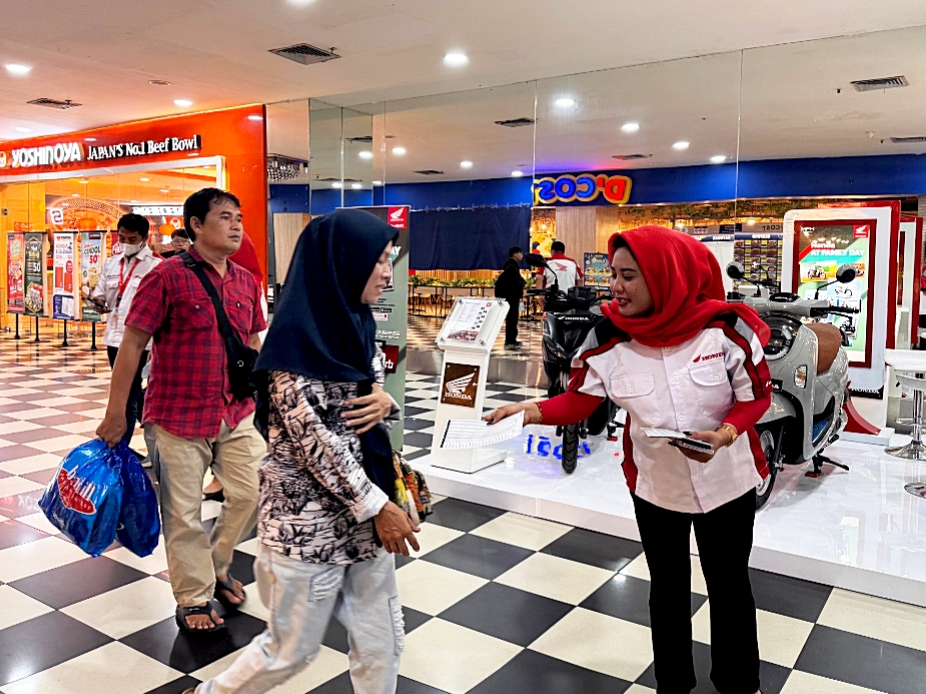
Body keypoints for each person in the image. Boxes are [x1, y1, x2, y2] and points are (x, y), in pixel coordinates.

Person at [487, 226, 771, 694]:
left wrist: (724, 434)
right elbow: (581, 399)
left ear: (665, 276)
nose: (616, 287)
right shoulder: (607, 336)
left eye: (629, 276)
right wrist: (533, 410)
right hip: (656, 486)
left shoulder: (725, 330)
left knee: (729, 586)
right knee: (668, 589)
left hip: (727, 480)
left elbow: (756, 397)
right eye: (614, 275)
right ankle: (673, 685)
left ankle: (740, 684)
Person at [186, 209, 419, 694]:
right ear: (343, 263)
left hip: (363, 524)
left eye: (389, 260)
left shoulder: (357, 323)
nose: (387, 273)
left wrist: (385, 399)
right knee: (289, 650)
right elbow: (318, 444)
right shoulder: (294, 349)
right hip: (307, 530)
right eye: (378, 261)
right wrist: (380, 507)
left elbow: (366, 401)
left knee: (383, 641)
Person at [97, 188, 268, 634]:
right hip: (176, 415)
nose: (236, 225)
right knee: (183, 512)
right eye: (225, 217)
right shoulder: (166, 276)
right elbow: (132, 343)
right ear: (195, 224)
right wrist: (117, 413)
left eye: (239, 217)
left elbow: (253, 340)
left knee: (253, 492)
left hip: (235, 411)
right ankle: (193, 596)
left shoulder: (246, 281)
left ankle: (216, 565)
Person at [89, 213, 161, 449]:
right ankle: (153, 427)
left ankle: (119, 448)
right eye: (122, 238)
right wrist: (97, 301)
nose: (126, 243)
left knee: (128, 394)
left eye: (132, 239)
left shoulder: (157, 267)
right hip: (114, 338)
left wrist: (156, 346)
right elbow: (101, 292)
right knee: (130, 391)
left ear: (144, 238)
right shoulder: (111, 264)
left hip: (143, 342)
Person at [495, 245, 526, 349]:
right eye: (520, 253)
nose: (521, 255)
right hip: (511, 296)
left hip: (511, 295)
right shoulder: (512, 266)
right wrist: (522, 283)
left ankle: (512, 339)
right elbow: (514, 280)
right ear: (514, 254)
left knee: (512, 318)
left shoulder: (512, 265)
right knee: (512, 318)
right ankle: (510, 340)